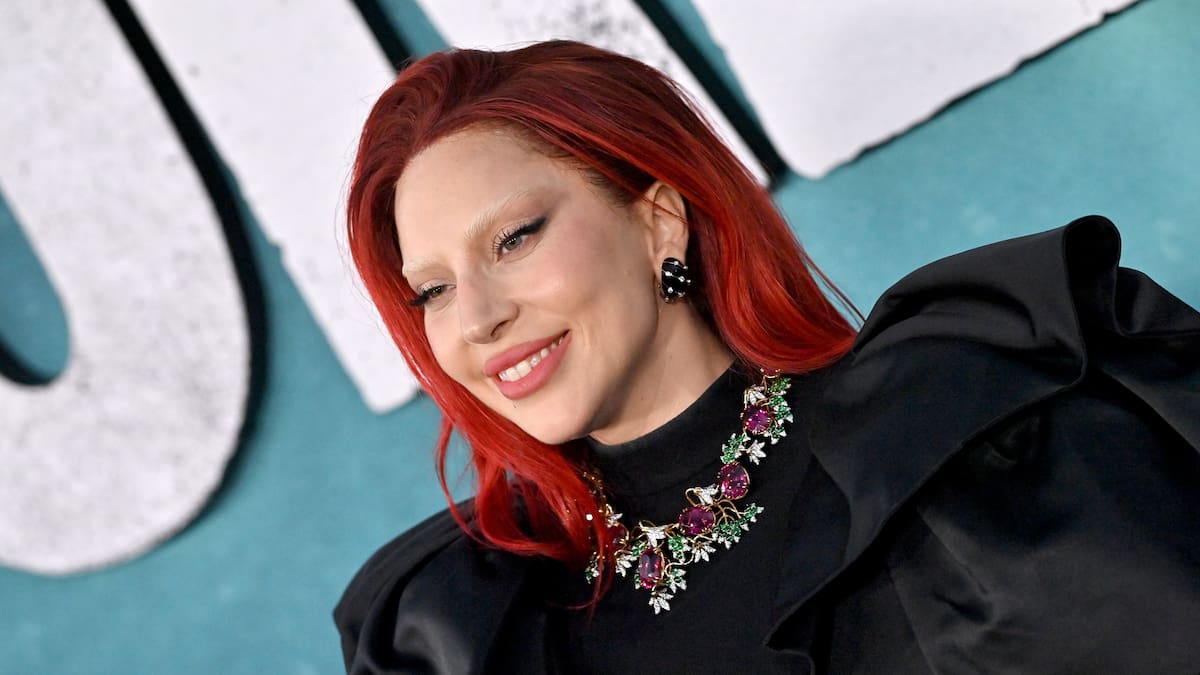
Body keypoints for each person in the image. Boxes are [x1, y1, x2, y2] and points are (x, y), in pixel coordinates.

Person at [334, 40, 1200, 673]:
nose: (478, 317)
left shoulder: (967, 424)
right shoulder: (451, 633)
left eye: (515, 238)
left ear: (659, 220)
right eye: (433, 289)